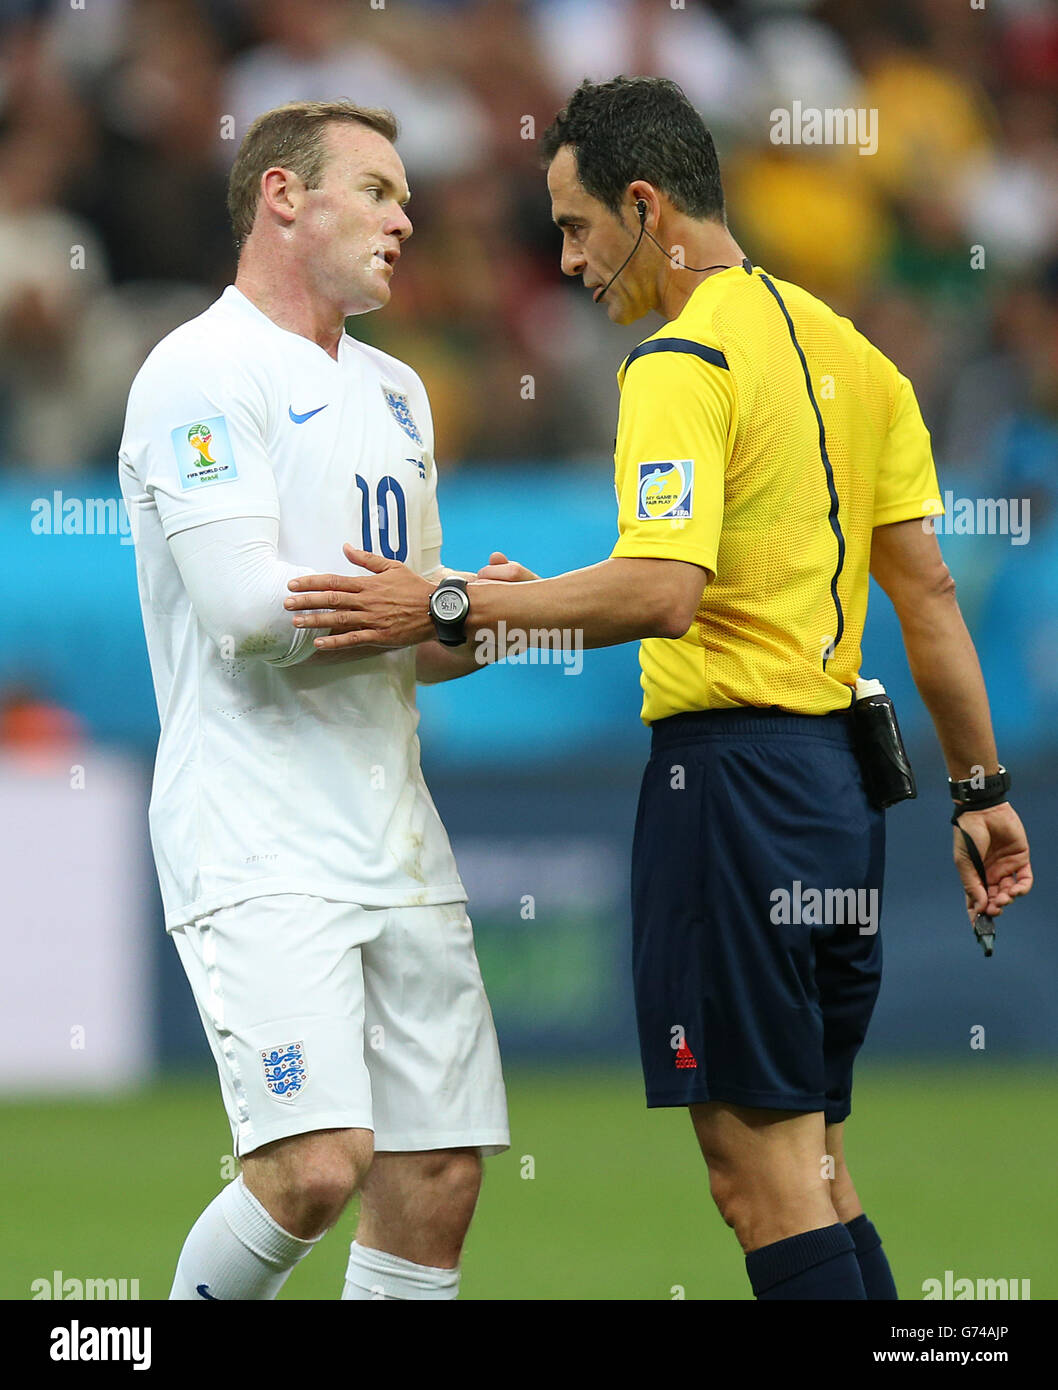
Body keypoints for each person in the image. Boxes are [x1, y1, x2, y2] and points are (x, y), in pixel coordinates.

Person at [284, 77, 1034, 1301]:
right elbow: (930, 594)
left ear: (646, 206)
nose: (569, 261)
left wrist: (453, 602)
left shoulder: (677, 359)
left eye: (576, 227)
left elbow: (661, 592)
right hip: (840, 794)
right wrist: (978, 788)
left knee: (756, 1177)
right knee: (813, 1162)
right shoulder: (855, 358)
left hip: (732, 787)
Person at [118, 99, 508, 1302]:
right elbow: (244, 612)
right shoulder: (198, 367)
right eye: (380, 191)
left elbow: (416, 641)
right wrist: (439, 604)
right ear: (285, 197)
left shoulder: (398, 392)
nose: (407, 217)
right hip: (257, 833)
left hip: (393, 828)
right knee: (312, 1168)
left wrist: (473, 616)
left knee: (435, 1176)